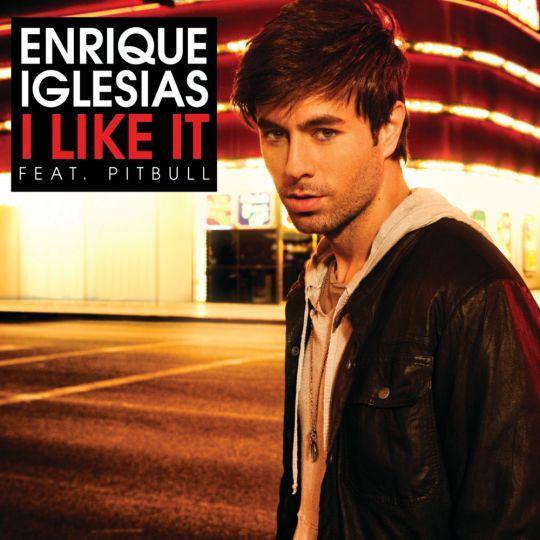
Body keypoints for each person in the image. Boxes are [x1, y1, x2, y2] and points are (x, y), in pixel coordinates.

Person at [231, 0, 540, 538]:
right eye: (275, 133)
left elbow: (513, 519)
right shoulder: (311, 288)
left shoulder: (472, 288)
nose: (294, 166)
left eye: (324, 132)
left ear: (389, 128)